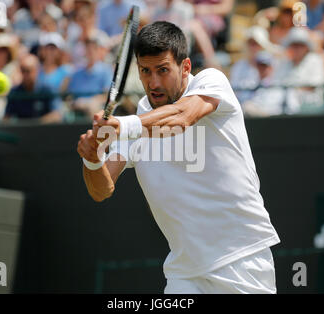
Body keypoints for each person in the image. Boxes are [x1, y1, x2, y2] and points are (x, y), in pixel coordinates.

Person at [77, 21, 280, 294]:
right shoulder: (141, 118)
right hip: (184, 273)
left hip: (241, 260)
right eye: (145, 71)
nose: (153, 82)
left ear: (185, 67)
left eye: (163, 70)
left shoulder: (212, 82)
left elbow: (182, 117)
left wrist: (123, 126)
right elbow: (101, 190)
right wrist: (92, 158)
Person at [275, 27, 324, 113]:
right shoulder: (285, 63)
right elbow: (278, 83)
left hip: (311, 101)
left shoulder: (315, 60)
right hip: (285, 102)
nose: (297, 48)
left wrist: (293, 90)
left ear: (306, 47)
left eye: (300, 45)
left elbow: (315, 84)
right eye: (294, 45)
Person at [64, 36, 113, 118]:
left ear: (98, 51)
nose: (90, 52)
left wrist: (89, 102)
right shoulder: (77, 73)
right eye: (88, 49)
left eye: (93, 49)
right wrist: (75, 103)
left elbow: (107, 96)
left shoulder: (106, 70)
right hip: (77, 108)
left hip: (97, 108)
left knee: (93, 108)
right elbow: (70, 96)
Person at [4, 54, 62, 123]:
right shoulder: (15, 92)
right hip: (21, 132)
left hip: (45, 132)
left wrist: (35, 124)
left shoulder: (48, 89)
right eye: (22, 70)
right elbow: (6, 118)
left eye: (28, 71)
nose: (25, 74)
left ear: (37, 70)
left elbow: (56, 115)